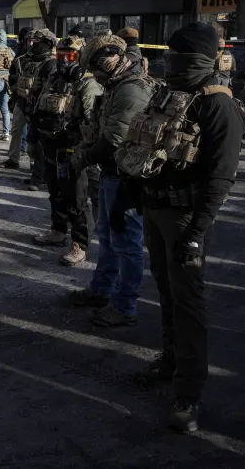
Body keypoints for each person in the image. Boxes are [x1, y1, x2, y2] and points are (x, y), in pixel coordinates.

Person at [116, 22, 243, 432]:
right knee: (167, 295)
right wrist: (133, 196)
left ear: (201, 61)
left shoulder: (219, 106)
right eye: (169, 57)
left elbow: (220, 178)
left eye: (179, 59)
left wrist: (196, 232)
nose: (170, 64)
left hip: (185, 217)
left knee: (189, 305)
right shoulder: (170, 95)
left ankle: (188, 394)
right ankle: (170, 363)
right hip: (155, 209)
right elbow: (146, 147)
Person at [67, 34, 156, 327]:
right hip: (111, 174)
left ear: (110, 60)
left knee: (126, 244)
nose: (97, 76)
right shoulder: (117, 86)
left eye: (98, 68)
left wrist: (84, 157)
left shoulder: (131, 90)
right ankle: (102, 290)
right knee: (107, 238)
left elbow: (115, 138)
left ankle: (124, 305)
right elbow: (101, 128)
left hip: (126, 179)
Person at [30, 36, 100, 267]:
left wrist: (82, 151)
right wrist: (33, 139)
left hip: (73, 149)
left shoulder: (88, 83)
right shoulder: (52, 76)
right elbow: (37, 106)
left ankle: (80, 244)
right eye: (60, 55)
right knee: (55, 191)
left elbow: (92, 121)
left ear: (80, 57)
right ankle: (57, 231)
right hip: (50, 145)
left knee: (77, 198)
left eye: (69, 56)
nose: (63, 60)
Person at [20, 29, 58, 188]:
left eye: (38, 41)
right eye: (33, 41)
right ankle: (39, 176)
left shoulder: (51, 63)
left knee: (41, 146)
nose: (34, 44)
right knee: (34, 144)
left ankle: (38, 178)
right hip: (33, 106)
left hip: (45, 110)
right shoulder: (32, 60)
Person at [0, 28, 34, 169]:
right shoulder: (20, 59)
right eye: (29, 40)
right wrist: (14, 91)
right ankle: (13, 159)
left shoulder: (47, 61)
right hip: (21, 100)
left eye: (34, 41)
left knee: (35, 134)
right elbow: (12, 77)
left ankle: (35, 164)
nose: (31, 44)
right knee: (16, 131)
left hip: (36, 103)